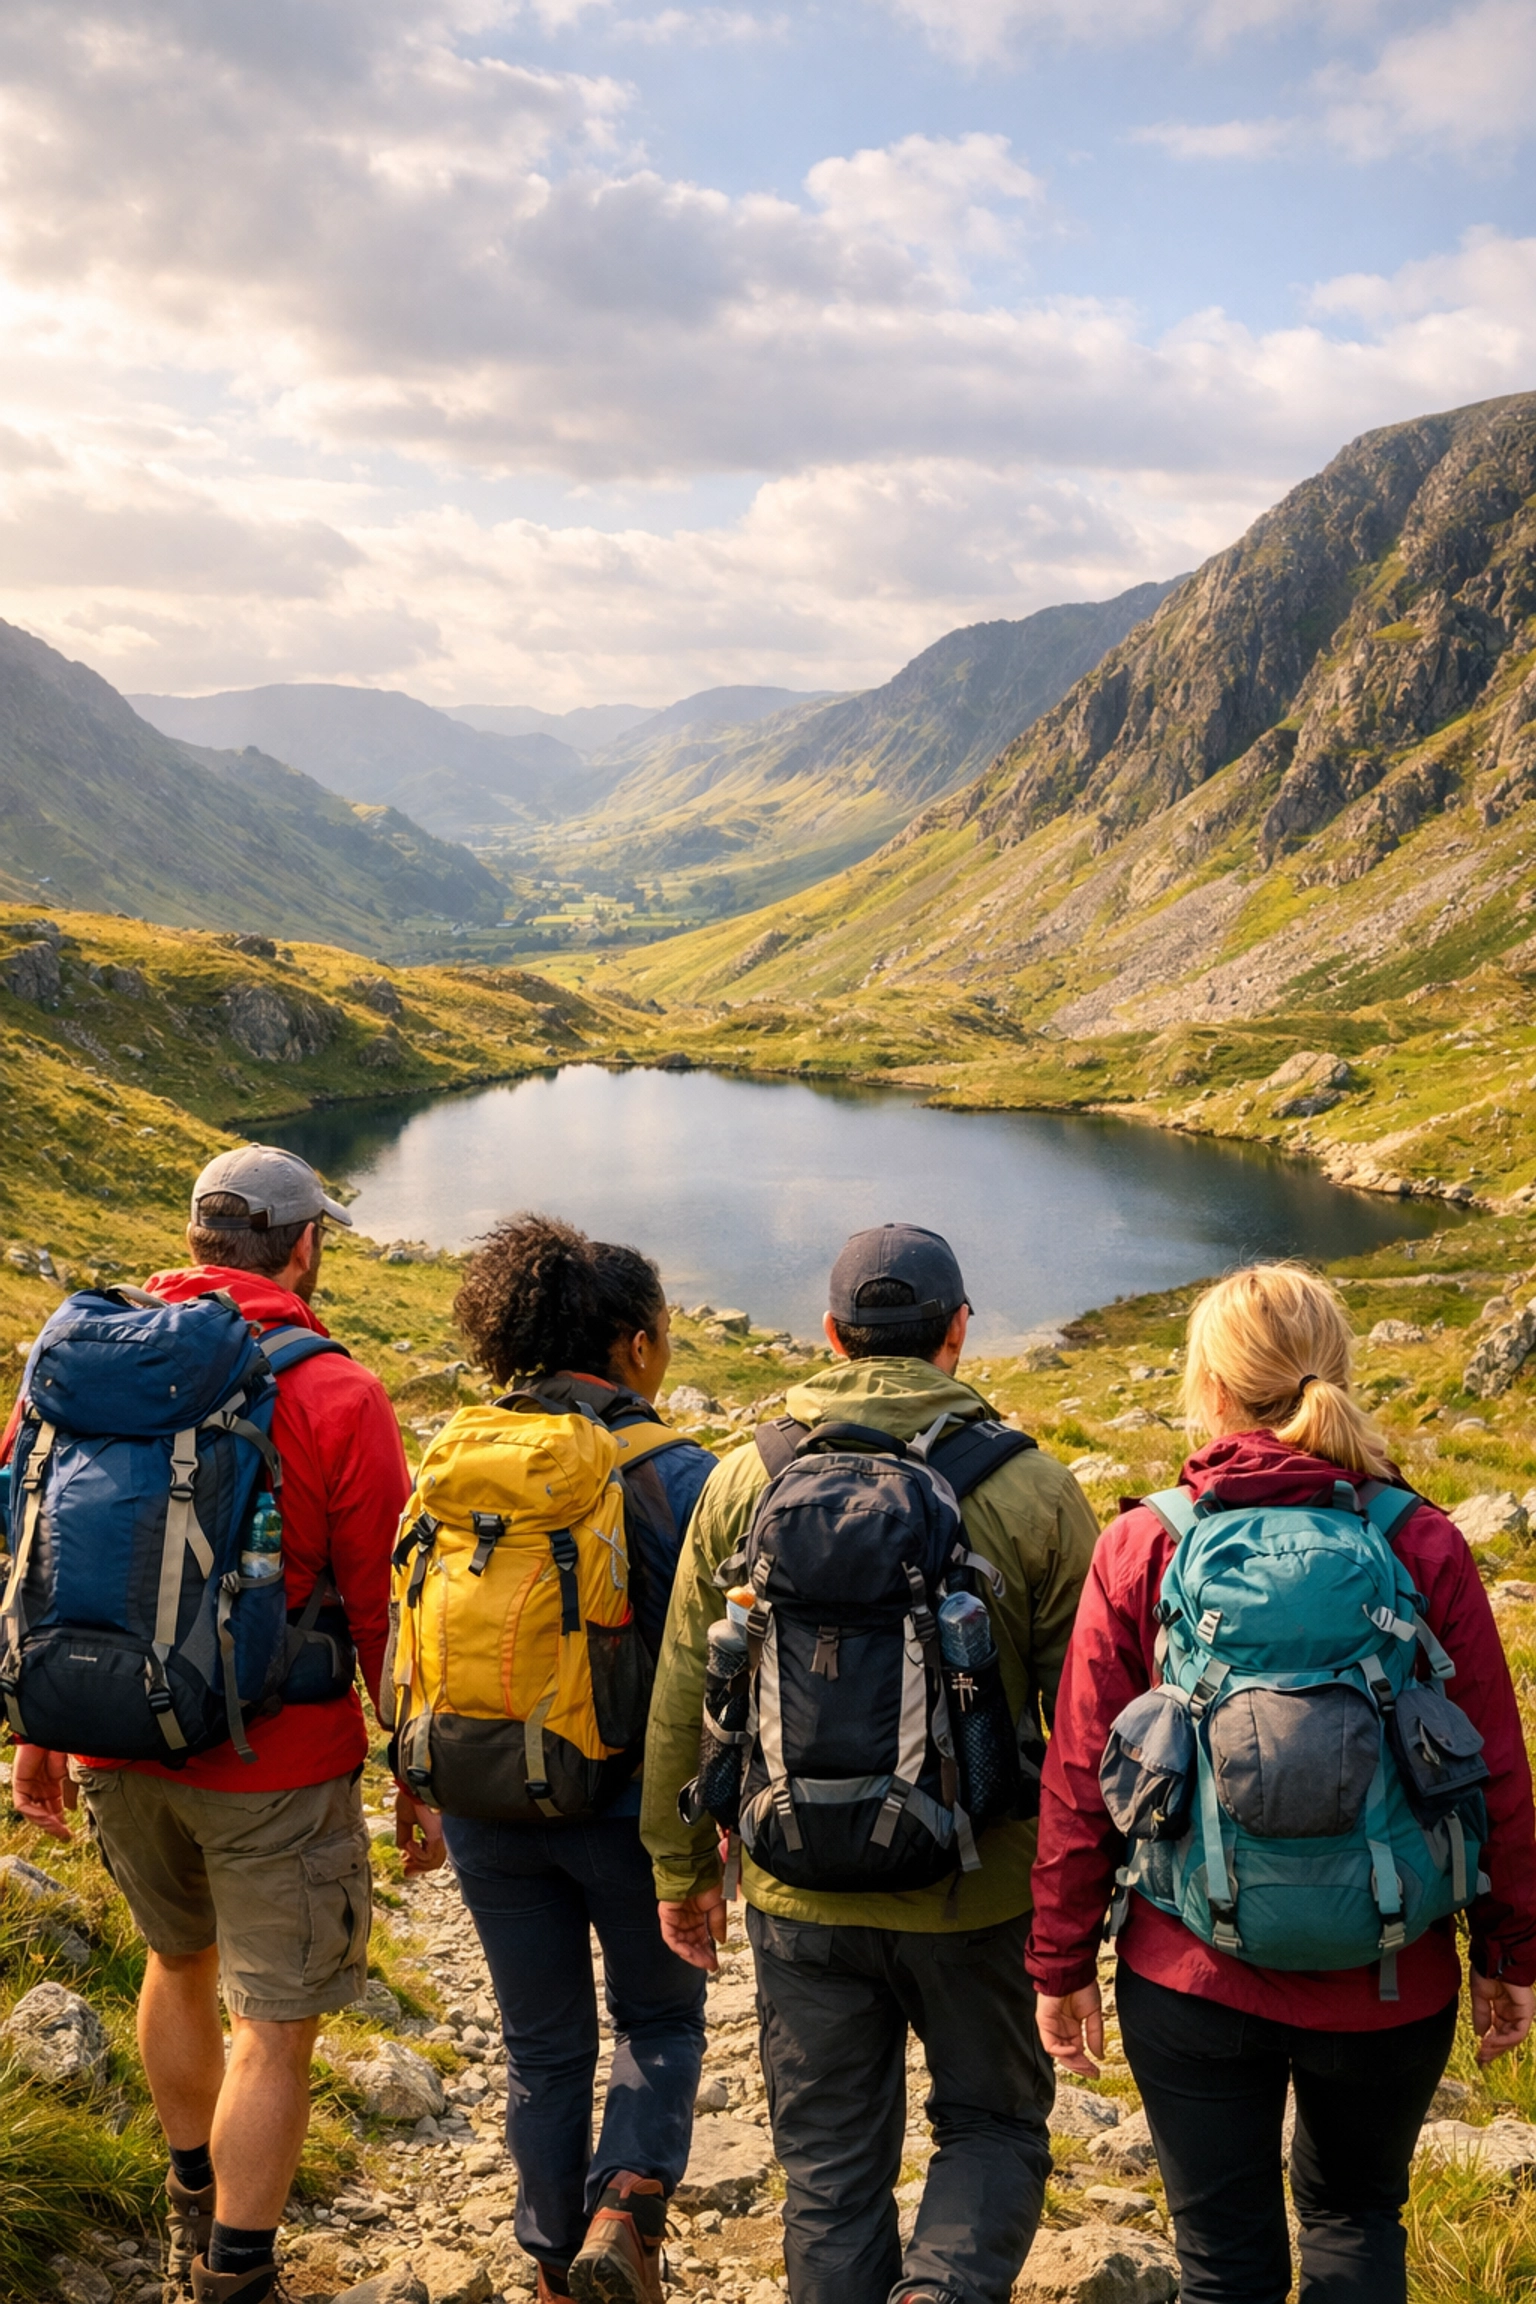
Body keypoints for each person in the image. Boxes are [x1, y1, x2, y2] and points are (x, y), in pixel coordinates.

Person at [1028, 1261, 1536, 2304]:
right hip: (1392, 1977)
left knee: (1225, 2262)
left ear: (1208, 1389)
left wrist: (1061, 1960)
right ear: (1334, 1372)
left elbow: (1084, 1776)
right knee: (1356, 2221)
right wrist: (1509, 1951)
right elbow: (1491, 1773)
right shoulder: (1420, 1540)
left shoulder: (1147, 1544)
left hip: (1189, 1973)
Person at [8, 1145, 442, 2304]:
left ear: (199, 1239)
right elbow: (377, 1603)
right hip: (279, 1760)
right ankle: (238, 2274)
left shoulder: (81, 1367)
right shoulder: (337, 1391)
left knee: (174, 1961)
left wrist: (37, 1733)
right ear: (303, 1249)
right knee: (278, 2025)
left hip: (112, 1737)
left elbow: (33, 1562)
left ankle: (185, 2197)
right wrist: (413, 1766)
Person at [641, 1223, 1101, 2304]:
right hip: (978, 1887)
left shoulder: (742, 1483)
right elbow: (1090, 1720)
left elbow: (681, 1692)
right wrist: (1082, 1903)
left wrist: (678, 1868)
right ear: (958, 1334)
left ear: (832, 1336)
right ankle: (942, 2291)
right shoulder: (1033, 1489)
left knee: (830, 2170)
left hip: (797, 1884)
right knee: (991, 2125)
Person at [443, 1215, 718, 2304]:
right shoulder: (681, 1473)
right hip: (627, 1808)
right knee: (658, 2019)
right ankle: (628, 2204)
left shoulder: (464, 1454)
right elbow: (717, 1669)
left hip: (481, 1793)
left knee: (540, 2046)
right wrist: (705, 1833)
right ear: (636, 1346)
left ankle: (557, 2269)